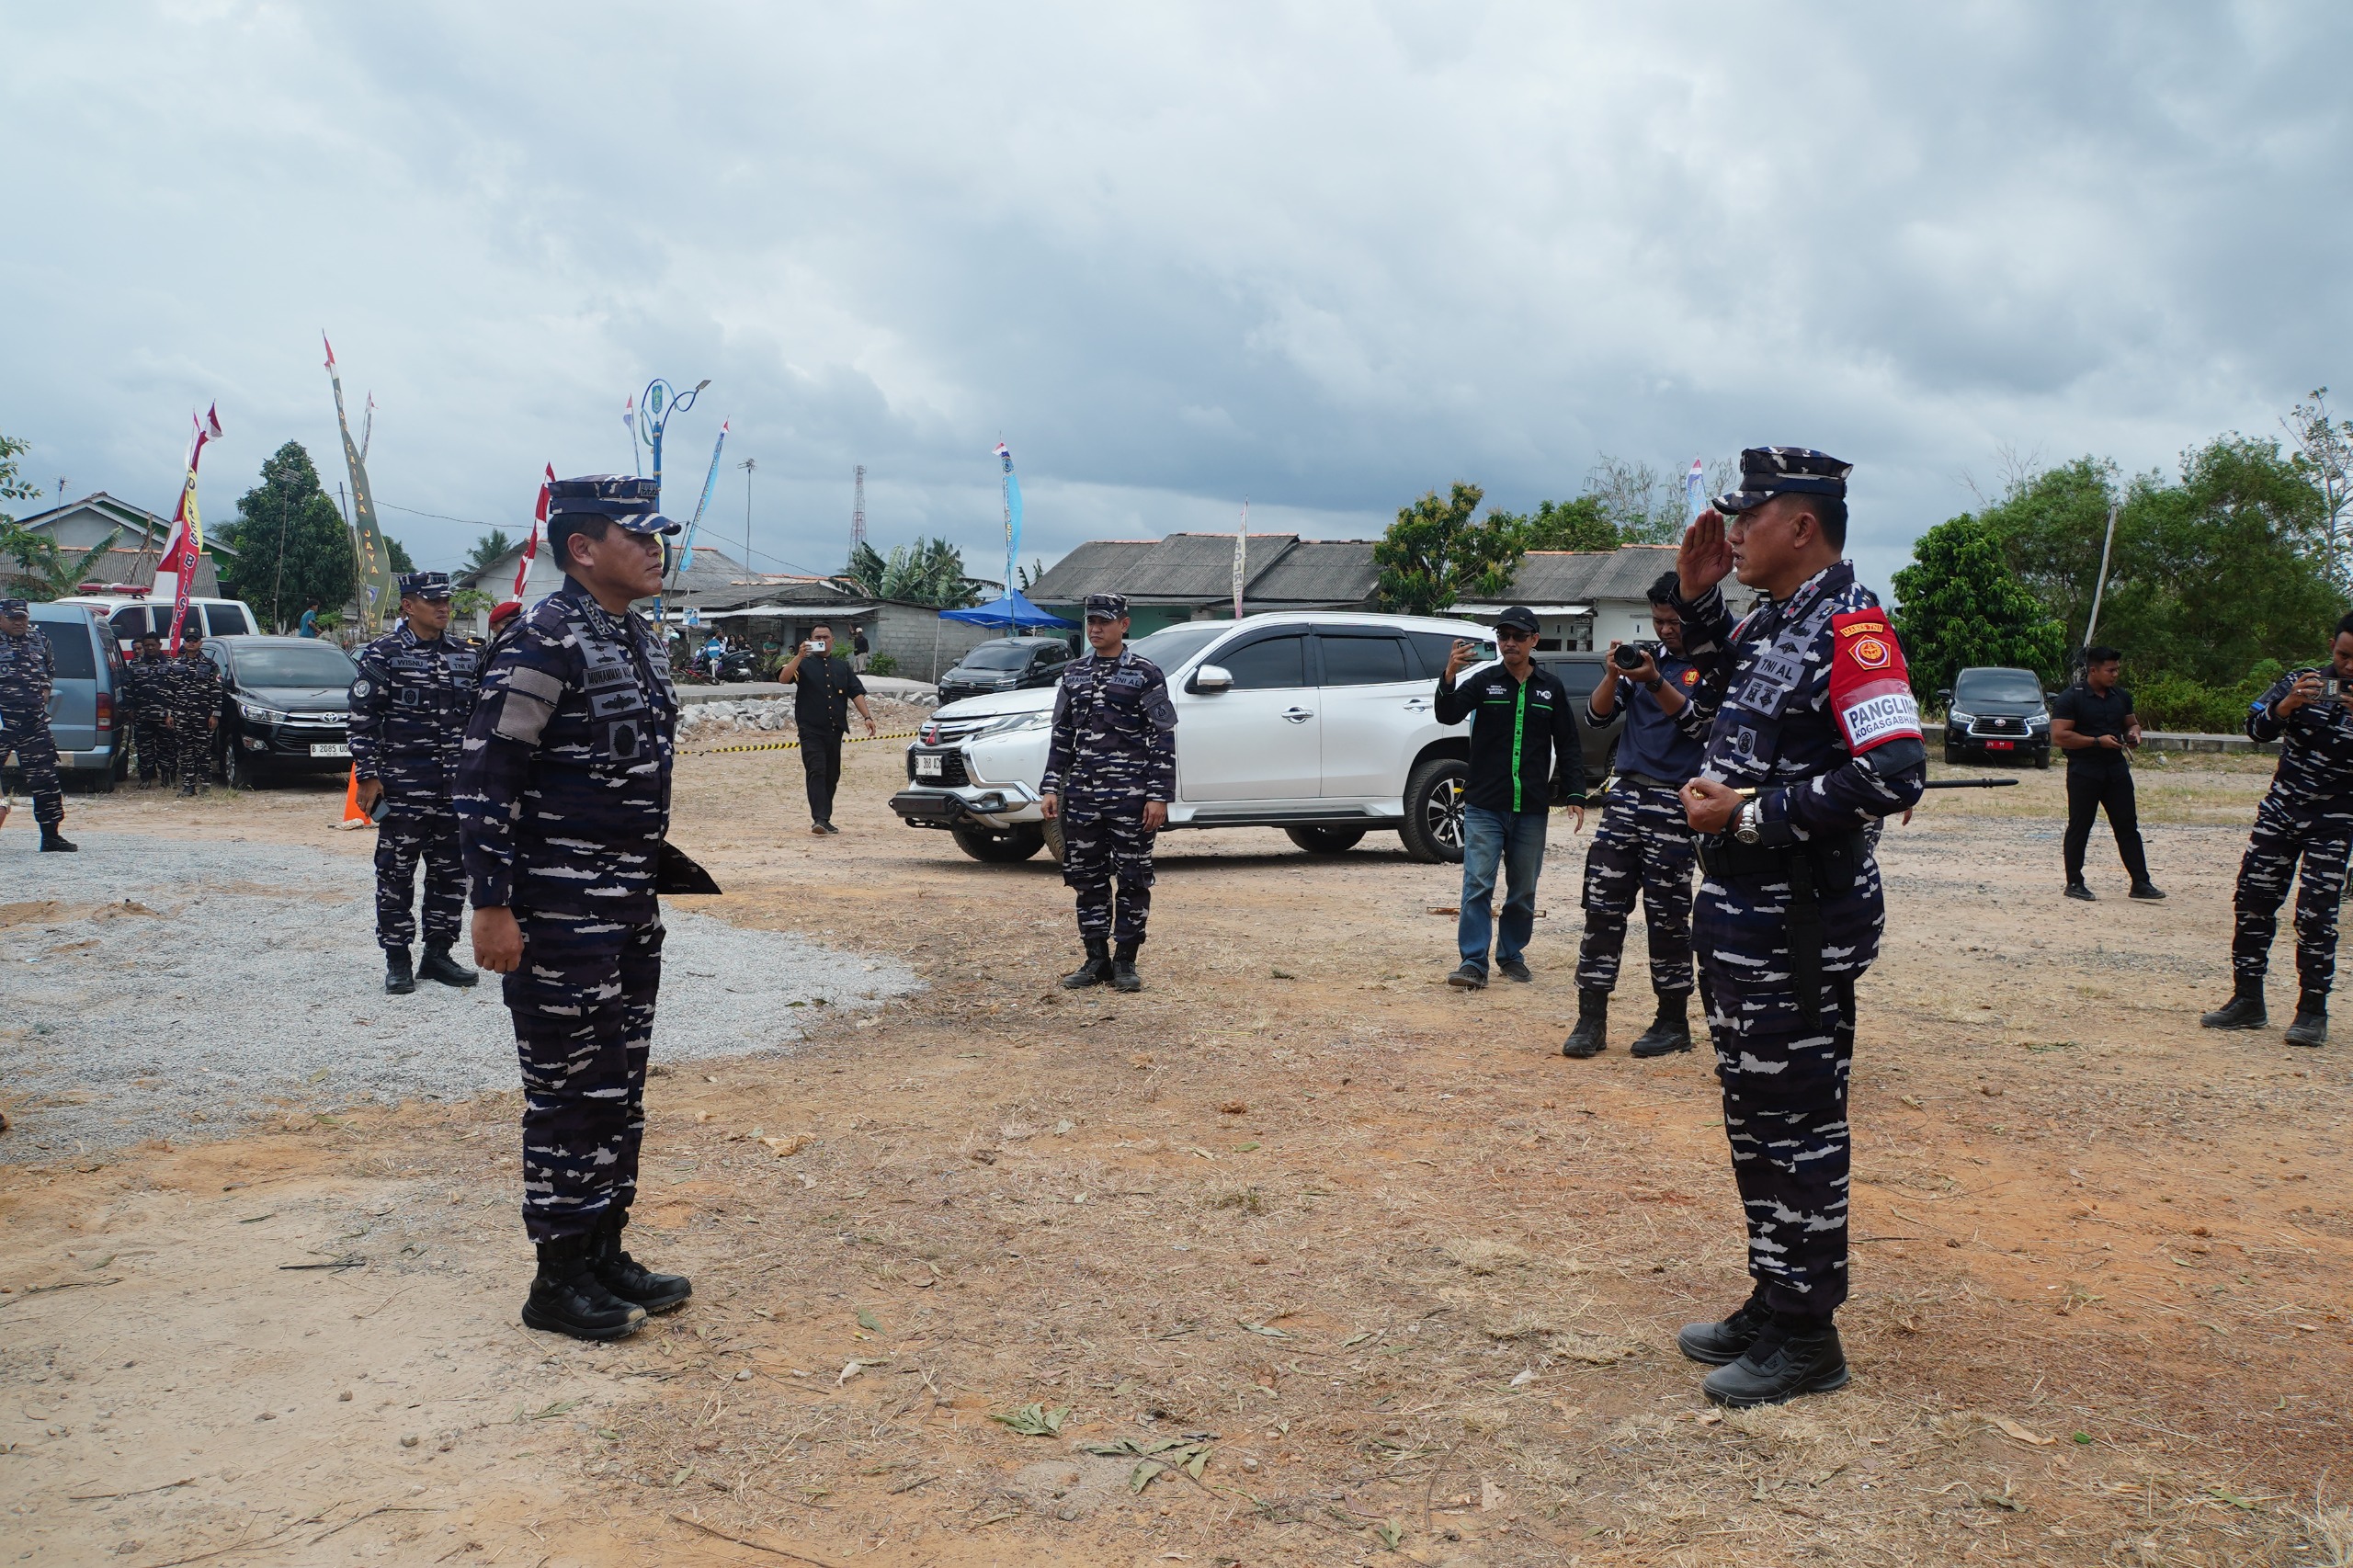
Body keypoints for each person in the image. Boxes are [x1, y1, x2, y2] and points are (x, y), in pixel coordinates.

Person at [1667, 447, 1926, 1407]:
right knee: (1755, 1121)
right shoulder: (1778, 624)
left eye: (1750, 515)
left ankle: (1809, 1334)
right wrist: (1696, 601)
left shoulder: (1852, 630)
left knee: (1799, 1128)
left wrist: (1747, 815)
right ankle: (1776, 1299)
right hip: (1742, 920)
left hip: (1796, 927)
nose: (1731, 532)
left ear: (1802, 526)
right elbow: (1714, 705)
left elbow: (1894, 772)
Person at [457, 474, 690, 1343]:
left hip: (624, 902)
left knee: (617, 1086)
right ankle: (556, 1279)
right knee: (565, 1090)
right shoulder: (542, 640)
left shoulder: (632, 638)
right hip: (557, 910)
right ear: (583, 549)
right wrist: (491, 905)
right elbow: (486, 779)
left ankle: (602, 1249)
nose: (655, 548)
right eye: (638, 535)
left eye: (657, 535)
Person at [1564, 572, 1706, 1057]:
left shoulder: (1715, 665)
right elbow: (1598, 718)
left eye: (1672, 621)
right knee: (1602, 909)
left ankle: (1672, 1022)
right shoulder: (1646, 661)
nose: (1664, 630)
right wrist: (1613, 675)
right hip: (1625, 798)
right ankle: (1591, 1020)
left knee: (1667, 917)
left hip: (1675, 801)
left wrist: (1657, 682)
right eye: (1658, 620)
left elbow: (1695, 725)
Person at [2200, 616, 2353, 1047]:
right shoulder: (2300, 681)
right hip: (2280, 813)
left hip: (2335, 822)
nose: (2348, 666)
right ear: (2331, 646)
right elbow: (2254, 730)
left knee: (2316, 916)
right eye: (2343, 655)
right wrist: (2285, 707)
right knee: (2252, 901)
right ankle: (2247, 1000)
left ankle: (2312, 1011)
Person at [1434, 605, 1586, 989]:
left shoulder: (1550, 688)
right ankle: (1472, 963)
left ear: (1534, 640)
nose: (1510, 643)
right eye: (1504, 636)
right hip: (1485, 804)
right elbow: (1447, 714)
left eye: (1518, 636)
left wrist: (1575, 793)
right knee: (1478, 884)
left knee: (1523, 888)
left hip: (1531, 807)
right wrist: (1449, 674)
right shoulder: (1485, 682)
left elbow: (1567, 742)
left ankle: (1511, 954)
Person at [348, 571, 481, 995]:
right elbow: (363, 718)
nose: (445, 608)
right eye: (434, 601)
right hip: (403, 787)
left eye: (447, 601)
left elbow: (482, 718)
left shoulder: (466, 654)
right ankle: (398, 959)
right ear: (408, 606)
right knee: (396, 873)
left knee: (451, 874)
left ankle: (438, 954)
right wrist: (367, 777)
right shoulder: (383, 654)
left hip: (456, 789)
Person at [1040, 593, 1176, 993]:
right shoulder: (1074, 673)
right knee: (1087, 877)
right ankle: (1095, 958)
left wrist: (1158, 795)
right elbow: (1062, 734)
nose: (1096, 628)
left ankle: (1126, 962)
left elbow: (1162, 738)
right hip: (1082, 796)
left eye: (1104, 621)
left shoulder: (1146, 674)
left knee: (1133, 878)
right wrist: (1051, 786)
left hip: (1131, 797)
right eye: (1091, 622)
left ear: (1124, 625)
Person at [2050, 646, 2163, 902]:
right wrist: (2096, 741)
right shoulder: (2071, 698)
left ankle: (2140, 883)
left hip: (2115, 769)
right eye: (2110, 670)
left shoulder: (2120, 697)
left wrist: (2134, 733)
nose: (2115, 674)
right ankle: (2074, 882)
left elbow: (2131, 722)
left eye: (2117, 670)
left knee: (2127, 825)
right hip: (2084, 769)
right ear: (2093, 670)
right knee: (2080, 826)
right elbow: (2059, 736)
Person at [779, 623, 874, 835]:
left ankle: (825, 818)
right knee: (817, 771)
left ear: (832, 640)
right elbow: (783, 678)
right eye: (817, 637)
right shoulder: (803, 665)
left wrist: (867, 716)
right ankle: (819, 819)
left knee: (832, 775)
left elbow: (856, 692)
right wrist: (799, 657)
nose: (822, 639)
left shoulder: (842, 667)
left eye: (825, 636)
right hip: (810, 729)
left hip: (834, 729)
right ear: (810, 640)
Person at [0, 599, 74, 851]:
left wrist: (45, 686)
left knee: (46, 779)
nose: (19, 622)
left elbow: (49, 669)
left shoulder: (39, 639)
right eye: (13, 618)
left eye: (23, 617)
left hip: (33, 723)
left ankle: (51, 835)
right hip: (2, 722)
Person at [165, 623, 222, 796]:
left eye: (194, 640)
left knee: (203, 751)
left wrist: (215, 715)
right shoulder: (175, 665)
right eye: (188, 640)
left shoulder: (210, 665)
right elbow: (169, 692)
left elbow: (217, 691)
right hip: (182, 716)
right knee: (185, 751)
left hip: (203, 716)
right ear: (184, 642)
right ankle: (188, 786)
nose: (191, 643)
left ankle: (205, 785)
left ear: (200, 643)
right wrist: (168, 714)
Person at [127, 632, 174, 788]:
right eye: (147, 645)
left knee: (167, 748)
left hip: (165, 716)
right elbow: (128, 688)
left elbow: (177, 689)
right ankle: (145, 779)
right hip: (143, 715)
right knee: (144, 749)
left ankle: (167, 779)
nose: (150, 647)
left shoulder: (170, 663)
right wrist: (129, 709)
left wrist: (172, 712)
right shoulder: (135, 664)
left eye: (153, 644)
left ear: (160, 645)